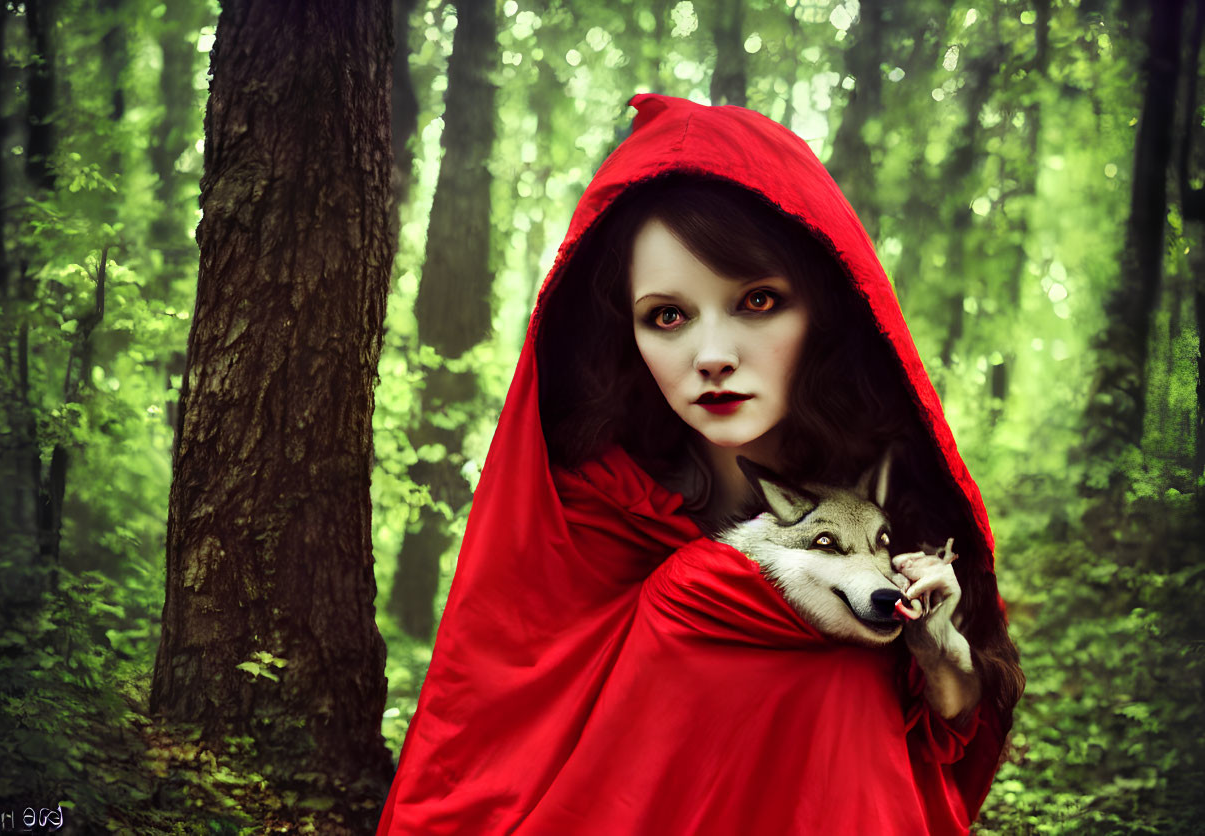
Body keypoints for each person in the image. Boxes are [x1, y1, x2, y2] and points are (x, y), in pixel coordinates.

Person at [377, 94, 1024, 835]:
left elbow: (952, 720)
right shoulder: (592, 514)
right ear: (631, 333)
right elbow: (496, 752)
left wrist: (936, 645)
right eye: (668, 316)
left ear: (822, 307)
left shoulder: (897, 500)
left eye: (757, 300)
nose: (712, 357)